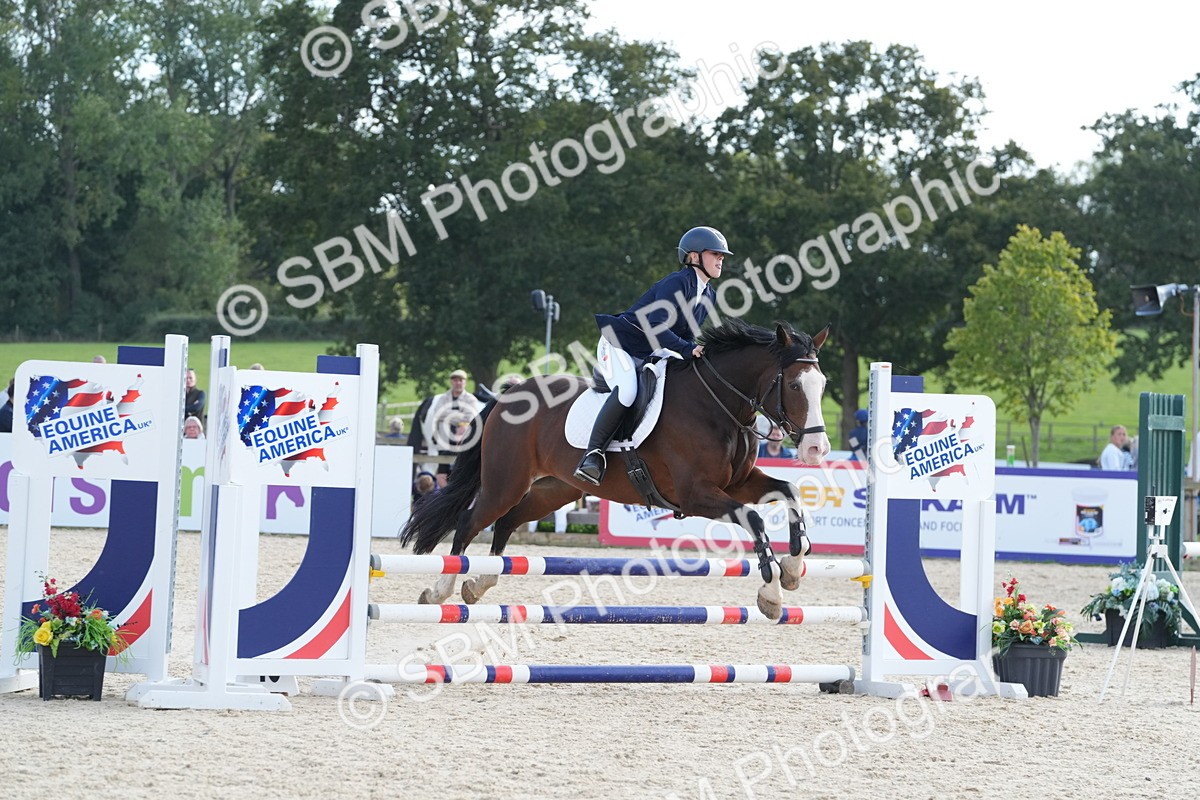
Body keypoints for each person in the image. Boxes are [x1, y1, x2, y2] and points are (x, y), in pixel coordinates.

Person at [574, 226, 729, 485]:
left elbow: (686, 334)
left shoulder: (708, 294)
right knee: (627, 391)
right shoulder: (677, 283)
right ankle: (592, 455)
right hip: (619, 344)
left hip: (651, 352)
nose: (721, 259)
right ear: (693, 257)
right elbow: (654, 325)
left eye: (722, 255)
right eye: (715, 253)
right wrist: (687, 349)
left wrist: (697, 352)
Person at [421, 369, 481, 455]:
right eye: (455, 380)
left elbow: (469, 418)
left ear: (465, 382)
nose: (458, 383)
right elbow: (438, 413)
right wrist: (460, 416)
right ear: (451, 382)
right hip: (443, 441)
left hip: (462, 441)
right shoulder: (443, 398)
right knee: (442, 466)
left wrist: (447, 416)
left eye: (460, 380)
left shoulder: (471, 400)